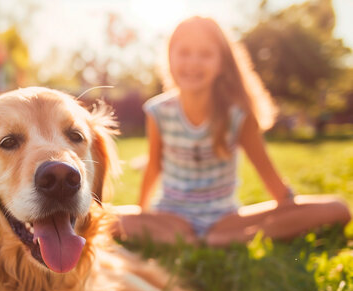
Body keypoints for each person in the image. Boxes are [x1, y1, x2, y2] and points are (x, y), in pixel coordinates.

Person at [115, 16, 350, 246]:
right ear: (169, 57)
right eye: (184, 52)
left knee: (338, 209)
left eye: (205, 54)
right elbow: (154, 166)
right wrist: (140, 216)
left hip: (225, 221)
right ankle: (214, 241)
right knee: (101, 217)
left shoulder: (238, 115)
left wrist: (292, 209)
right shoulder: (158, 111)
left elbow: (270, 177)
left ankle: (207, 240)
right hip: (171, 219)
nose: (193, 63)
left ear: (222, 63)